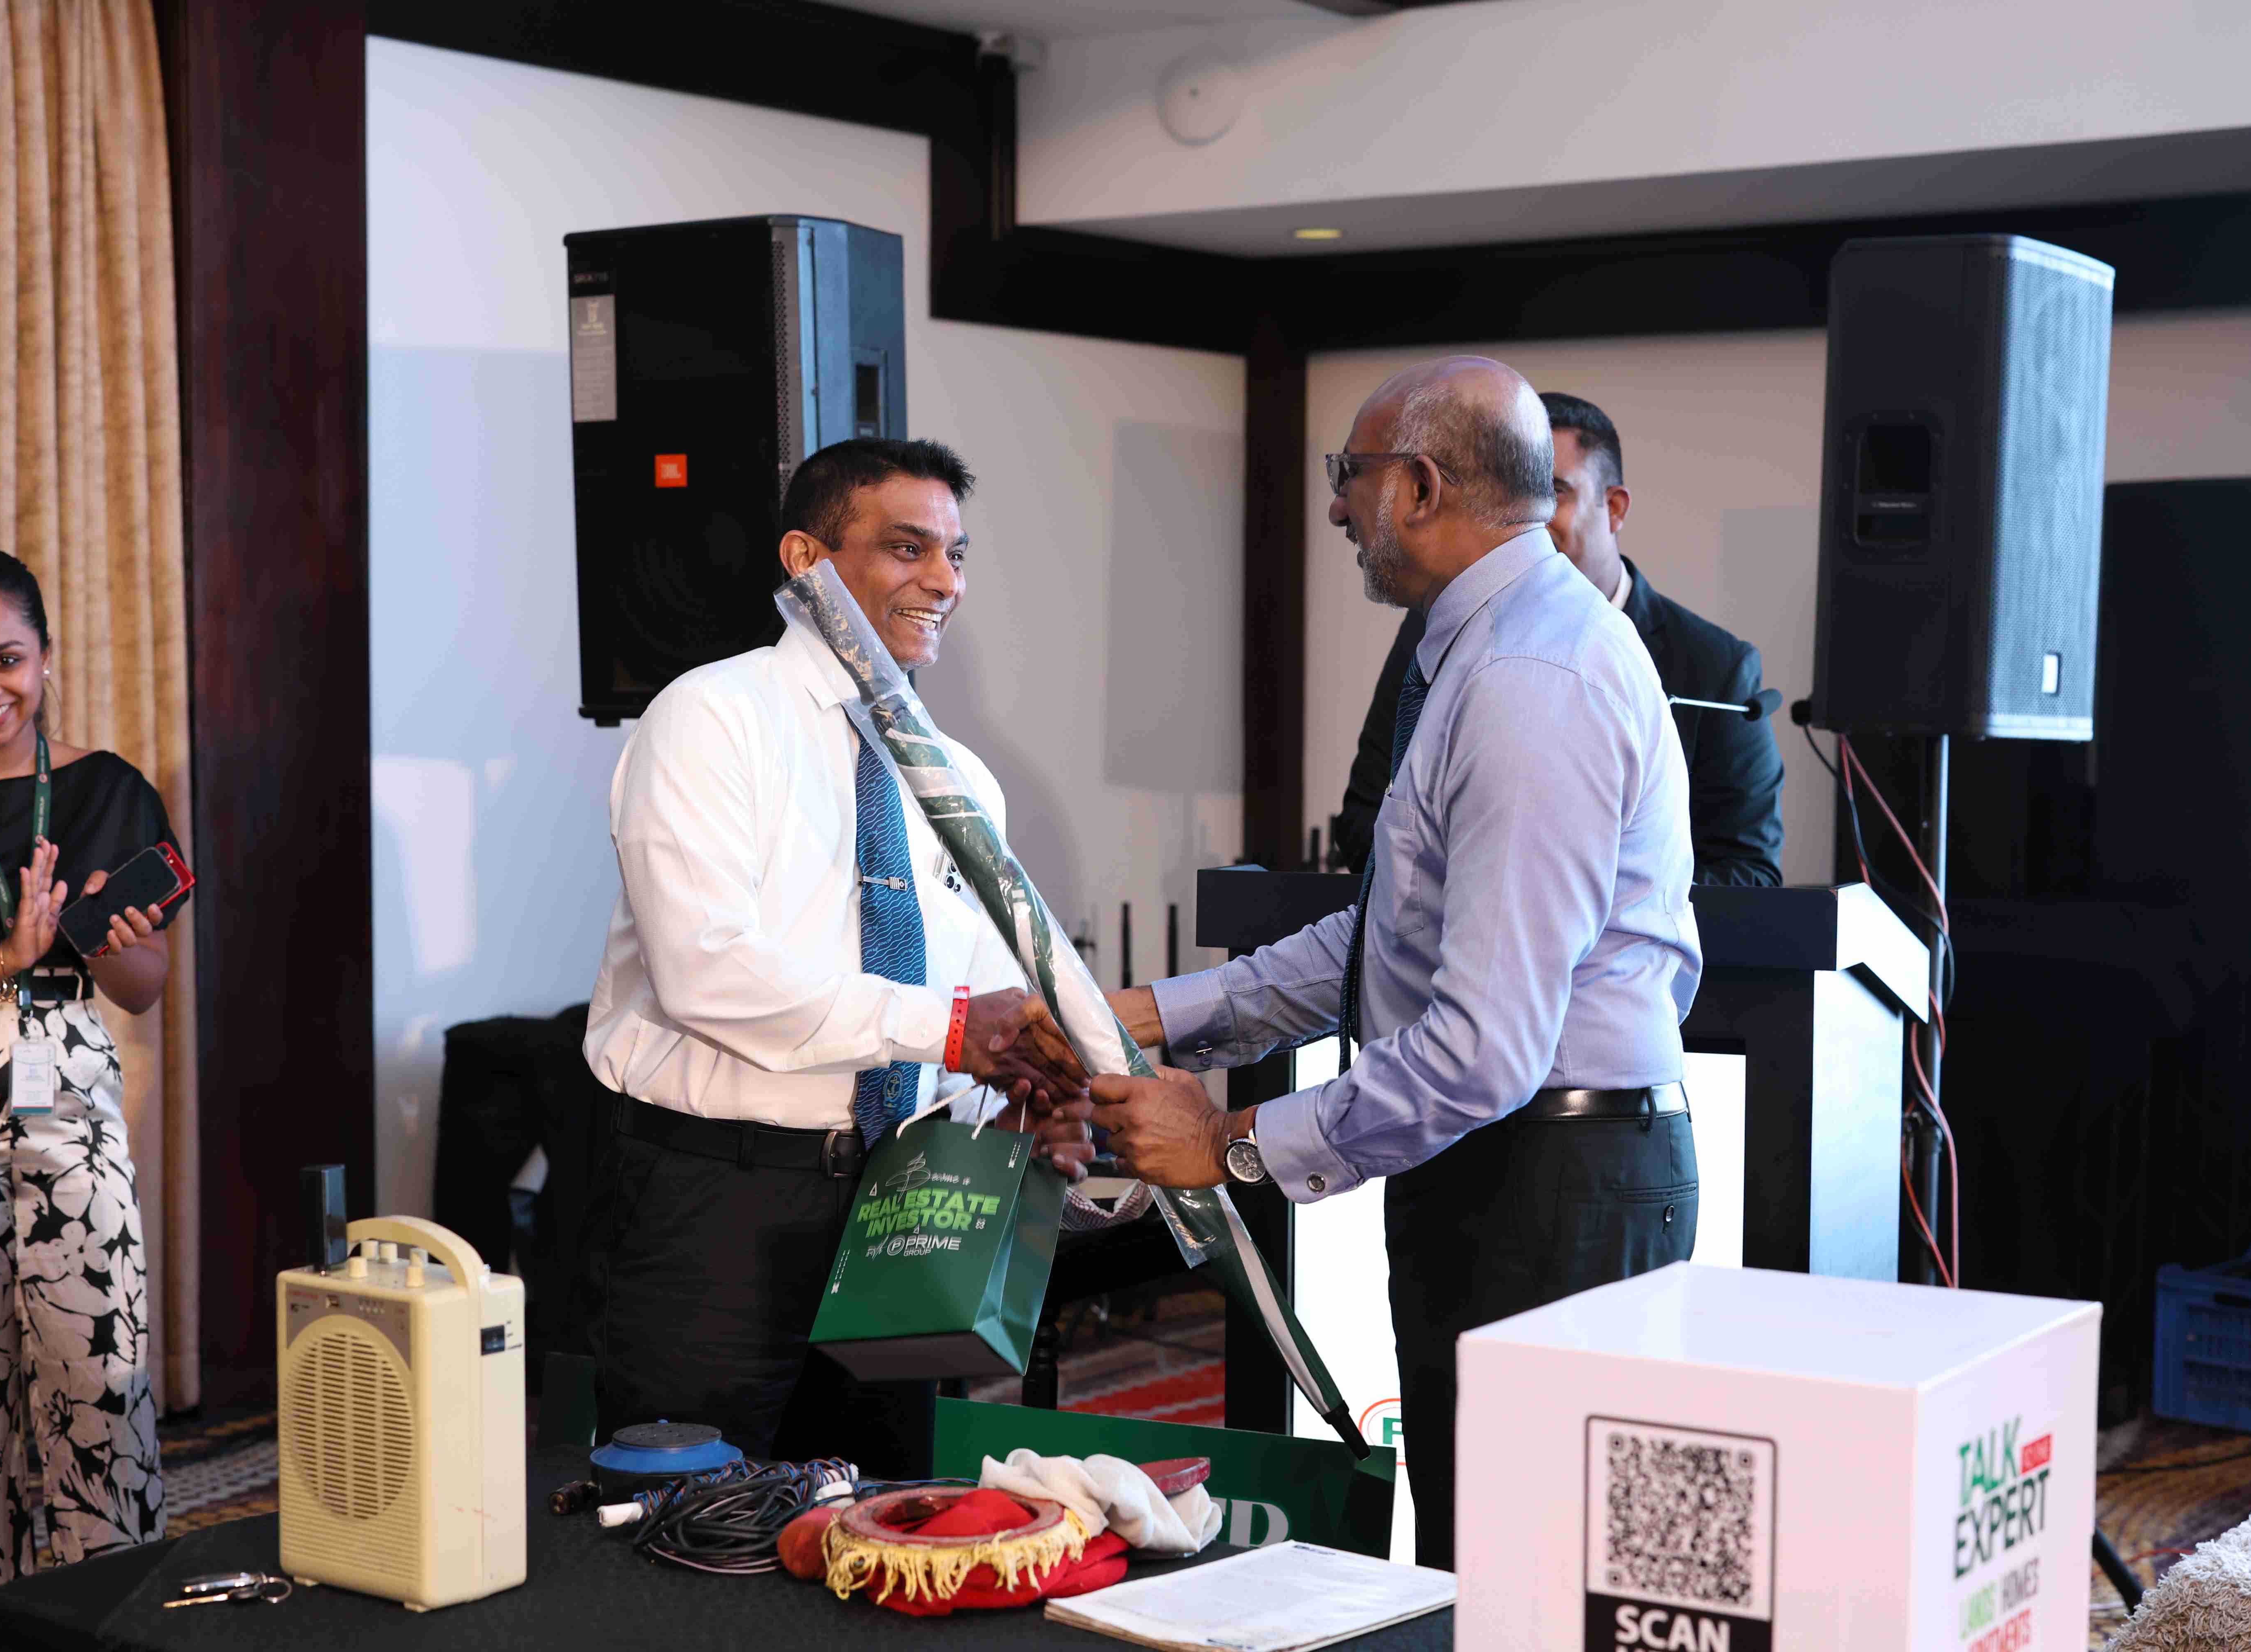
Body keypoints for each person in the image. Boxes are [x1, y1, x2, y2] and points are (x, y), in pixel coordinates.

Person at [1083, 358, 1703, 1572]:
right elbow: (1385, 939)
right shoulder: (1484, 646)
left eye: (1349, 475)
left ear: (1418, 486)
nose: (1335, 506)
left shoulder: (1527, 677)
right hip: (1520, 1171)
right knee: (1485, 1555)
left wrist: (1227, 1142)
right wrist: (1147, 1014)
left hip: (1547, 1178)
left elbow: (1481, 1050)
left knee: (1525, 1578)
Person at [582, 438, 1089, 1476]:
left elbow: (978, 1006)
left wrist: (1026, 1091)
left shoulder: (959, 779)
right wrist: (954, 1027)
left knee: (881, 1517)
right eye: (909, 548)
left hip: (901, 1199)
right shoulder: (711, 717)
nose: (945, 581)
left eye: (956, 554)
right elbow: (706, 971)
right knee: (690, 1519)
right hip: (716, 1201)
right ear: (807, 557)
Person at [1332, 390, 1782, 886]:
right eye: (1511, 495)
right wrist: (1469, 880)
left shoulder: (1715, 666)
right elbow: (1362, 819)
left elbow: (1751, 873)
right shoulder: (1432, 629)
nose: (1525, 518)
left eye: (1551, 492)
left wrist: (1575, 891)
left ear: (1614, 508)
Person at [0, 551, 181, 1586]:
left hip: (66, 1084)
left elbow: (144, 989)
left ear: (46, 657)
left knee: (95, 1369)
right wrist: (4, 957)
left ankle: (108, 1609)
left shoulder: (106, 789)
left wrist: (113, 946)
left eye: (5, 658)